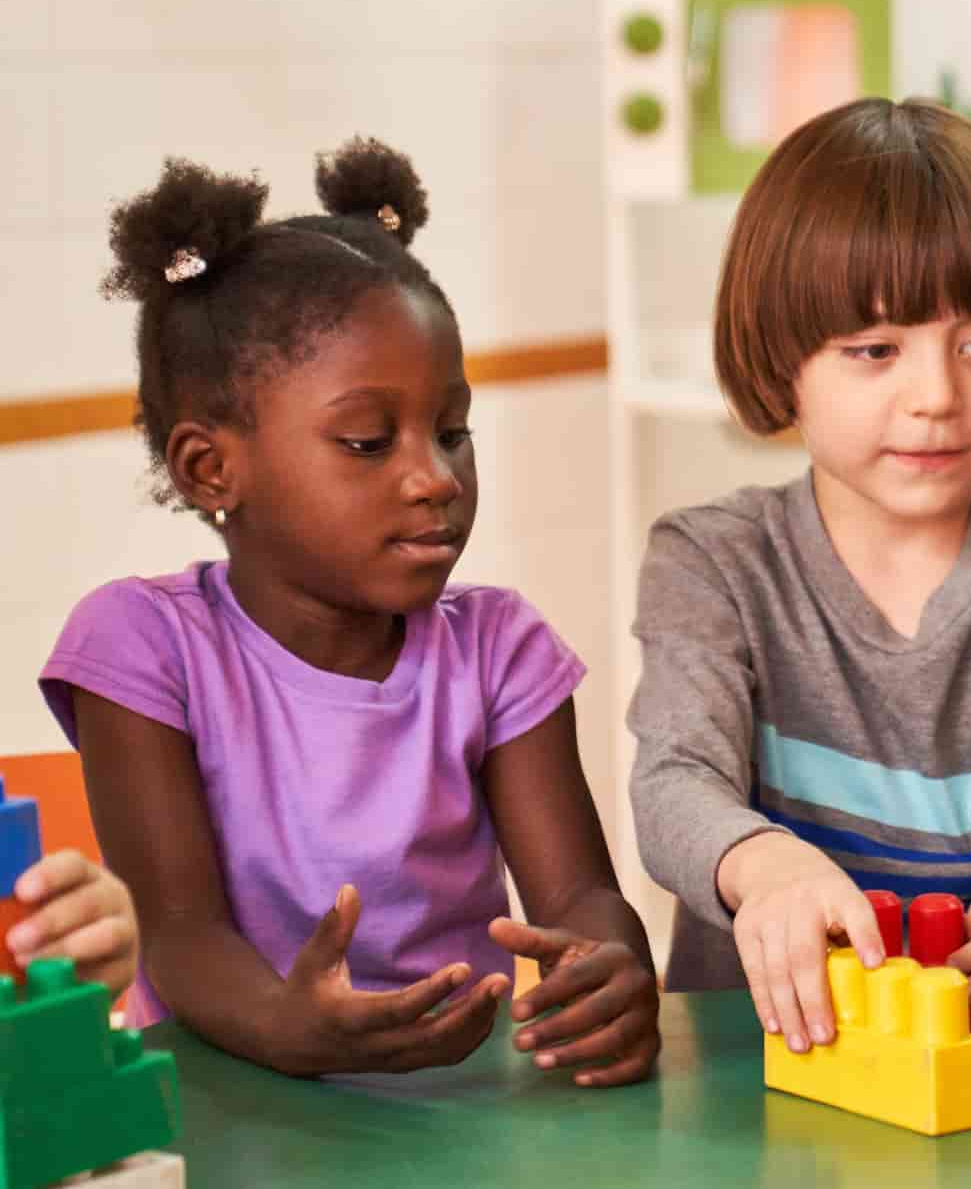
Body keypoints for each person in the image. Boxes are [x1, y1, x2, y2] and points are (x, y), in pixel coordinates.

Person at [42, 140, 658, 1083]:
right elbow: (179, 934)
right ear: (211, 469)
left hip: (468, 1104)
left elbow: (577, 895)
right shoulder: (142, 647)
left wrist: (608, 968)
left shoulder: (499, 649)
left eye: (452, 432)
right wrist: (288, 1028)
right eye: (370, 441)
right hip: (235, 1101)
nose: (435, 477)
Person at [629, 99, 971, 1055]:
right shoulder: (711, 561)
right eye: (875, 351)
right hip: (763, 1063)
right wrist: (765, 864)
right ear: (782, 364)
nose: (937, 397)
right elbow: (675, 786)